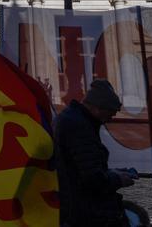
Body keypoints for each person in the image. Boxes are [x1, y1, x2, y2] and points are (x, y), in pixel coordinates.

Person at [53, 78, 134, 227]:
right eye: (110, 112)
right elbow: (91, 178)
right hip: (87, 213)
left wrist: (111, 172)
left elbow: (83, 166)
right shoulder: (79, 127)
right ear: (97, 108)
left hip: (76, 210)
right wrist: (118, 180)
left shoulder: (72, 119)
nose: (111, 118)